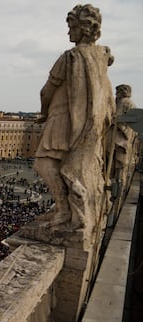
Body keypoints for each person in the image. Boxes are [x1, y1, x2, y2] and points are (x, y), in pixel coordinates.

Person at [33, 4, 114, 235]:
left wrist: (43, 112)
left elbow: (46, 91)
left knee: (44, 163)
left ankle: (63, 209)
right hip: (85, 124)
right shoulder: (99, 60)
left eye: (72, 28)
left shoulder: (71, 57)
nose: (69, 33)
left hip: (62, 119)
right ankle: (67, 209)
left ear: (84, 29)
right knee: (62, 164)